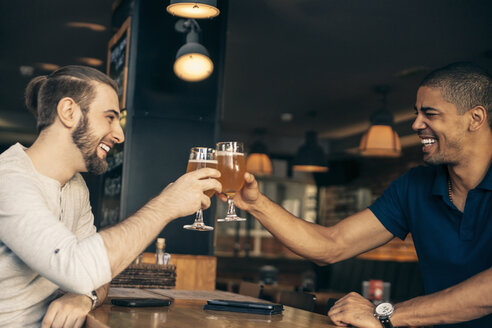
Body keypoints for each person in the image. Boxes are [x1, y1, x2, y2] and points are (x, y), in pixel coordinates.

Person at [231, 62, 492, 328]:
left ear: (475, 118)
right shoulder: (415, 186)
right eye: (416, 113)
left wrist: (386, 314)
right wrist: (256, 204)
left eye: (430, 114)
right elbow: (331, 244)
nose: (415, 124)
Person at [0, 65, 221, 327]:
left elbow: (97, 276)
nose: (119, 134)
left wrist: (84, 297)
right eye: (109, 117)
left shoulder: (75, 186)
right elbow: (80, 268)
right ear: (69, 112)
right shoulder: (9, 178)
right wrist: (166, 205)